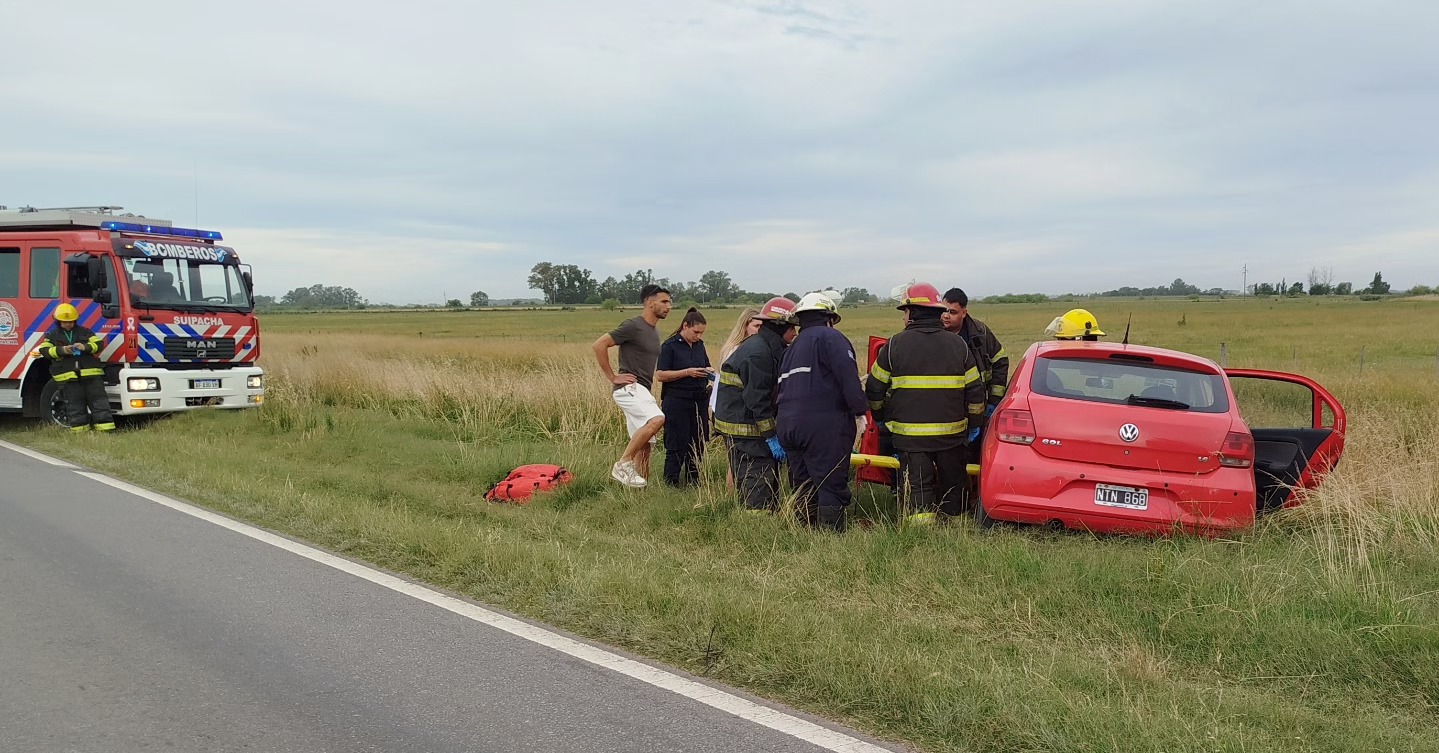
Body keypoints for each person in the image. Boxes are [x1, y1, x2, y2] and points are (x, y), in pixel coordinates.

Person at [865, 283, 986, 523]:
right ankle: (955, 527)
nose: (903, 316)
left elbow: (874, 390)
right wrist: (974, 425)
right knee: (954, 486)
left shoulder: (894, 346)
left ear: (913, 313)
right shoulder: (958, 345)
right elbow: (975, 392)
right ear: (936, 311)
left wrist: (881, 420)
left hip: (910, 438)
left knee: (918, 489)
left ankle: (921, 535)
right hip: (952, 436)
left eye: (905, 311)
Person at [776, 292, 867, 531]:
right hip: (823, 424)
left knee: (803, 482)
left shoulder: (791, 349)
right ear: (829, 317)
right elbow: (848, 379)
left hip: (788, 425)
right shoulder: (831, 338)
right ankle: (830, 537)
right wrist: (860, 413)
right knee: (830, 482)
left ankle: (804, 531)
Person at [714, 297, 797, 513]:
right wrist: (770, 435)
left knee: (764, 476)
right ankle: (756, 527)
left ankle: (763, 517)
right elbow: (757, 399)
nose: (795, 333)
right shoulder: (757, 353)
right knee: (757, 477)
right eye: (792, 328)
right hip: (744, 428)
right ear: (780, 326)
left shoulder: (766, 347)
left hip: (745, 423)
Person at [593, 284, 673, 488]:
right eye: (664, 301)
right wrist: (612, 377)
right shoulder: (633, 325)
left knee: (646, 446)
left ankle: (640, 491)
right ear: (649, 302)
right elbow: (599, 345)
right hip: (629, 389)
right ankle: (623, 463)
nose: (669, 306)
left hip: (641, 390)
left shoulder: (653, 331)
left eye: (670, 302)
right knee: (657, 419)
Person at [941, 288, 1009, 453]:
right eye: (943, 310)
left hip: (975, 404)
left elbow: (1000, 361)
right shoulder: (934, 333)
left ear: (964, 313)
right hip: (944, 405)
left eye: (952, 312)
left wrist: (993, 401)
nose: (946, 315)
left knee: (974, 452)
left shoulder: (980, 332)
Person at [654, 307, 713, 486]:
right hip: (677, 400)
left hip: (699, 400)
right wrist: (687, 372)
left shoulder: (699, 345)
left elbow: (706, 364)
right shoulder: (669, 346)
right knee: (676, 442)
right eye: (696, 332)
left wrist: (709, 372)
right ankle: (671, 482)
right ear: (685, 326)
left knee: (697, 442)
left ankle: (694, 481)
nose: (698, 336)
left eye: (701, 333)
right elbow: (660, 375)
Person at [38, 303, 115, 432]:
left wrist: (85, 347)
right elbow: (44, 350)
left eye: (71, 322)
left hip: (91, 376)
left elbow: (98, 344)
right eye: (64, 322)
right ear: (58, 321)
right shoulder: (52, 335)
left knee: (100, 403)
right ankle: (80, 433)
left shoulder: (85, 331)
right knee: (75, 406)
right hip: (69, 378)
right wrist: (62, 350)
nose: (68, 324)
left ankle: (106, 431)